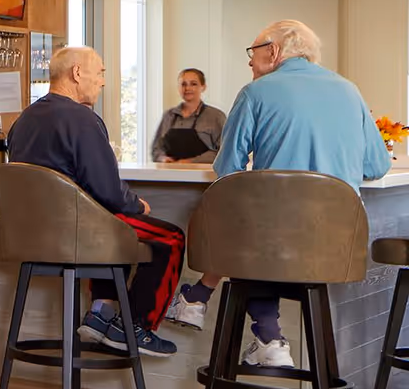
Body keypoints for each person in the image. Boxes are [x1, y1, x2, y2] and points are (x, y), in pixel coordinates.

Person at [162, 20, 390, 368]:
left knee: (249, 227)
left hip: (272, 244)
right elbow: (376, 166)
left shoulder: (257, 93)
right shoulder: (349, 90)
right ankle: (243, 325)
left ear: (274, 51)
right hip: (339, 245)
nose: (250, 62)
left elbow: (227, 170)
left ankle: (235, 317)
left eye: (253, 52)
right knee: (257, 230)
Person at [7, 45, 183, 357]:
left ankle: (101, 313)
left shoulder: (24, 120)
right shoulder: (82, 119)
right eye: (100, 72)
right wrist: (137, 204)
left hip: (35, 235)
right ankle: (135, 328)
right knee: (170, 238)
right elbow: (108, 192)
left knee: (108, 222)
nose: (103, 81)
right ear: (77, 73)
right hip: (77, 229)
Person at [149, 68, 226, 163]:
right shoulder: (168, 115)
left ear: (203, 87)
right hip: (170, 173)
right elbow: (156, 148)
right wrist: (163, 158)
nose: (187, 88)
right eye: (183, 84)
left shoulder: (216, 116)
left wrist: (191, 161)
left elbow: (223, 151)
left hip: (204, 176)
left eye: (193, 84)